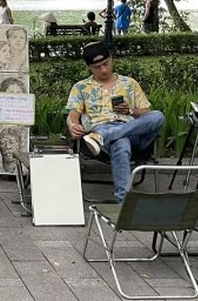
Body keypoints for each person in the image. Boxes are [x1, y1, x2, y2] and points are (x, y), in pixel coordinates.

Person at [65, 42, 164, 202]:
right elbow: (73, 115)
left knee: (157, 115)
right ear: (89, 67)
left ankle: (104, 136)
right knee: (121, 142)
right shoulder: (81, 87)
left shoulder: (129, 83)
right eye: (97, 67)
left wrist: (130, 111)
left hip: (133, 132)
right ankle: (123, 202)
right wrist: (72, 125)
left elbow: (146, 114)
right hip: (101, 132)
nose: (103, 70)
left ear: (111, 59)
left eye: (106, 64)